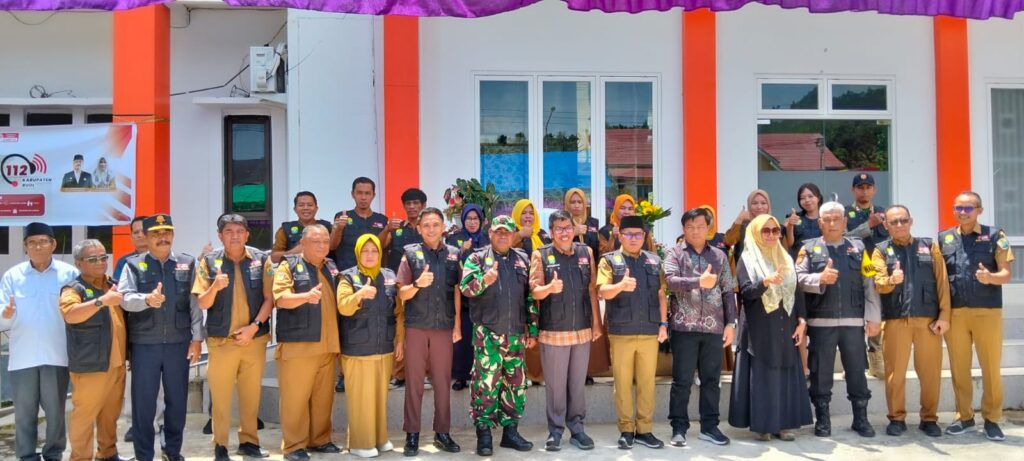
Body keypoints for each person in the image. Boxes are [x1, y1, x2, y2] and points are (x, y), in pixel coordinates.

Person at [118, 214, 203, 461]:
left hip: (178, 343)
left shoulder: (188, 263)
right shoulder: (133, 265)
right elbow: (124, 298)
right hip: (145, 345)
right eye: (156, 233)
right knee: (144, 404)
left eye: (167, 232)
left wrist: (197, 339)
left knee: (177, 400)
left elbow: (195, 304)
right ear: (145, 237)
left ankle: (172, 450)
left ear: (173, 235)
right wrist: (147, 299)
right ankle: (144, 454)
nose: (162, 237)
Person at [794, 202, 881, 438]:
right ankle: (823, 420)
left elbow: (869, 283)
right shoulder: (808, 248)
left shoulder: (859, 248)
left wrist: (873, 317)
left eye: (836, 219)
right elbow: (798, 279)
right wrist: (819, 278)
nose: (832, 224)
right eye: (827, 219)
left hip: (853, 322)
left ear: (845, 222)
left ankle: (860, 419)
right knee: (820, 373)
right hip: (821, 322)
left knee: (857, 371)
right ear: (820, 223)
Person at [193, 214, 274, 460]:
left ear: (247, 234)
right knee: (220, 397)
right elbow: (202, 302)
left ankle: (249, 441)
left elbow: (270, 298)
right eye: (228, 231)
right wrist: (215, 287)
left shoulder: (261, 259)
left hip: (253, 340)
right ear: (220, 235)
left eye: (239, 231)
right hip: (222, 342)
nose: (235, 236)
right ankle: (220, 445)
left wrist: (254, 327)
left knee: (251, 395)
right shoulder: (209, 262)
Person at [728, 214, 812, 441]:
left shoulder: (785, 257)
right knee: (762, 374)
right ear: (756, 232)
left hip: (786, 323)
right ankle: (763, 426)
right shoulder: (747, 258)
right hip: (759, 325)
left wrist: (802, 321)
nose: (772, 235)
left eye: (776, 231)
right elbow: (746, 292)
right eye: (766, 230)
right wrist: (765, 281)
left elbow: (796, 291)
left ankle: (783, 425)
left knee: (784, 373)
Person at [0, 222, 79, 461]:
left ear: (53, 244)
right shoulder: (13, 276)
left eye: (43, 241)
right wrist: (6, 314)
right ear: (25, 247)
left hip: (57, 354)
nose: (38, 246)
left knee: (55, 412)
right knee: (24, 413)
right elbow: (2, 317)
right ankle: (26, 456)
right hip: (23, 357)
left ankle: (53, 454)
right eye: (32, 243)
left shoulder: (69, 274)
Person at [870, 205, 950, 437]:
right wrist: (891, 280)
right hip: (896, 320)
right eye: (893, 222)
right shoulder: (880, 251)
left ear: (911, 221)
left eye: (903, 220)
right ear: (886, 225)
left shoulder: (929, 246)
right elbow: (878, 283)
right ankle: (896, 418)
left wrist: (944, 316)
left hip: (928, 320)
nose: (899, 225)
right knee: (895, 374)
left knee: (930, 373)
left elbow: (942, 282)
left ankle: (929, 418)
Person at [460, 215, 537, 456]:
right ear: (490, 233)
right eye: (498, 231)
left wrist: (533, 329)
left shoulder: (522, 259)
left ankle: (510, 433)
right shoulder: (476, 258)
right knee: (486, 386)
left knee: (515, 385)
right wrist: (485, 280)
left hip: (515, 334)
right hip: (488, 335)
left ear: (514, 235)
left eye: (507, 232)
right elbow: (466, 288)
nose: (503, 236)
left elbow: (529, 297)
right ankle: (484, 434)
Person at [939, 191, 1012, 441]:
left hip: (986, 311)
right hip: (956, 312)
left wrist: (990, 277)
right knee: (959, 369)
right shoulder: (944, 238)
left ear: (979, 210)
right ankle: (965, 417)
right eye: (958, 207)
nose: (962, 212)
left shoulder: (995, 236)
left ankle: (992, 419)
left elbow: (1006, 273)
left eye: (968, 208)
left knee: (990, 368)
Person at [530, 210, 602, 451]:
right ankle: (555, 431)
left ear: (574, 229)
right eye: (559, 229)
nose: (564, 233)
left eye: (568, 228)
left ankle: (577, 428)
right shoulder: (541, 255)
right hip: (553, 331)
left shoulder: (586, 253)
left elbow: (592, 289)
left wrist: (596, 323)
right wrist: (549, 288)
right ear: (551, 232)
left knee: (577, 384)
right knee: (556, 386)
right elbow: (534, 291)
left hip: (582, 329)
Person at [664, 208, 736, 447]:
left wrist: (730, 323)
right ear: (683, 229)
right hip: (684, 327)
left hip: (714, 328)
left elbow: (728, 290)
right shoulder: (674, 253)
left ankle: (710, 426)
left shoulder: (719, 256)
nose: (695, 231)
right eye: (690, 227)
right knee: (682, 380)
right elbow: (671, 281)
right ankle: (678, 428)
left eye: (700, 226)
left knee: (711, 380)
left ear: (709, 228)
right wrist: (699, 281)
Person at [597, 215, 669, 450]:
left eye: (638, 234)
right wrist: (620, 286)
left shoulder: (654, 261)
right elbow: (603, 292)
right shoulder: (609, 260)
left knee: (647, 384)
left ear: (645, 236)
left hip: (649, 331)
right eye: (628, 234)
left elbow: (661, 295)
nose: (634, 239)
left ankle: (645, 430)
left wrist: (663, 324)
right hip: (622, 332)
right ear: (620, 235)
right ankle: (626, 430)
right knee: (623, 384)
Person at [395, 208, 462, 456]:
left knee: (443, 382)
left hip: (443, 327)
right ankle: (412, 434)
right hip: (416, 327)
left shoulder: (454, 254)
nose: (431, 229)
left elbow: (457, 289)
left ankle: (442, 433)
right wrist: (417, 284)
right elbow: (402, 293)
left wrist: (457, 325)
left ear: (443, 227)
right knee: (414, 383)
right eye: (426, 225)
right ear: (419, 228)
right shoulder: (410, 254)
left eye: (435, 224)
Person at [272, 224, 342, 461]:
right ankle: (293, 446)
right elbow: (281, 299)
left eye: (325, 241)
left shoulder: (330, 266)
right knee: (295, 399)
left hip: (328, 345)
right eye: (316, 241)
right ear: (302, 243)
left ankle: (320, 440)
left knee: (323, 398)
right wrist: (305, 296)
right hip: (299, 345)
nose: (322, 245)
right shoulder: (289, 265)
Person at [60, 239, 131, 461]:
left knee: (110, 414)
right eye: (93, 259)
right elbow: (70, 314)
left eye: (103, 257)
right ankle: (80, 458)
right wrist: (101, 301)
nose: (100, 262)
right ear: (79, 263)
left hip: (116, 364)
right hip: (91, 366)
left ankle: (107, 454)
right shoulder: (74, 289)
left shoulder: (112, 284)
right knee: (84, 417)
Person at [336, 235, 405, 458]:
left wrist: (400, 340)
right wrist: (359, 294)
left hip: (383, 347)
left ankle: (379, 438)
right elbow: (343, 307)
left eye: (374, 251)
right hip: (357, 349)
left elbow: (398, 312)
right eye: (365, 251)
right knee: (361, 399)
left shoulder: (389, 276)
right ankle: (360, 443)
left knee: (379, 398)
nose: (369, 255)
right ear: (358, 253)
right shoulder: (347, 277)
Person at [330, 177, 389, 393]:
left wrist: (388, 230)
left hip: (374, 280)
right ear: (353, 194)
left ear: (373, 195)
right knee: (345, 324)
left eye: (367, 193)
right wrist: (338, 228)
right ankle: (343, 374)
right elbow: (332, 245)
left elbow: (383, 247)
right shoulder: (343, 217)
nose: (363, 197)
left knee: (371, 323)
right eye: (359, 193)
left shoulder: (381, 220)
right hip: (347, 280)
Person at [845, 173, 889, 379]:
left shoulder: (884, 213)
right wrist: (868, 226)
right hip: (853, 270)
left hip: (877, 271)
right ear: (853, 190)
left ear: (874, 190)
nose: (864, 191)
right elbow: (842, 238)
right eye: (860, 187)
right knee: (854, 315)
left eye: (868, 187)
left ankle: (875, 357)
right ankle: (855, 363)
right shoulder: (845, 213)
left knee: (877, 313)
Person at [381, 188, 426, 388]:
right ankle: (398, 374)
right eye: (408, 203)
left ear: (423, 205)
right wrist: (387, 230)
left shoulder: (427, 227)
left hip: (424, 285)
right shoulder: (396, 229)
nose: (412, 207)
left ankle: (424, 373)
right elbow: (380, 246)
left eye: (416, 203)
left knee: (423, 329)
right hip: (400, 286)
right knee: (399, 327)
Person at [446, 204, 490, 391]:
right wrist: (462, 251)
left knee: (482, 340)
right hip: (462, 299)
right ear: (463, 220)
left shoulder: (488, 239)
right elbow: (448, 264)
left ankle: (480, 375)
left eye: (475, 218)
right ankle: (461, 376)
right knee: (462, 340)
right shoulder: (454, 238)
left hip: (484, 298)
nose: (472, 222)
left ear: (481, 220)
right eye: (469, 219)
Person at [512, 199, 551, 385]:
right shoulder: (510, 232)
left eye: (531, 213)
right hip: (517, 290)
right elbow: (502, 248)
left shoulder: (541, 234)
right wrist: (519, 235)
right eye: (523, 213)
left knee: (537, 331)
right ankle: (523, 374)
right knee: (522, 332)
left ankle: (538, 374)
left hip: (539, 290)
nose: (528, 216)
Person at [272, 191, 334, 263]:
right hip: (295, 269)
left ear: (316, 209)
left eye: (310, 205)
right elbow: (274, 258)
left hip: (323, 268)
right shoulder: (285, 229)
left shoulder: (327, 227)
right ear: (295, 209)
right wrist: (294, 252)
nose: (305, 208)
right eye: (301, 205)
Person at [724, 189, 772, 270]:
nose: (759, 207)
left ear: (768, 205)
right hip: (744, 272)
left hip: (769, 272)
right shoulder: (742, 224)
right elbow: (728, 241)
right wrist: (739, 220)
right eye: (754, 203)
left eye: (763, 203)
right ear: (749, 205)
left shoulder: (774, 225)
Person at [783, 183, 823, 258]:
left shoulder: (826, 219)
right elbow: (790, 244)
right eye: (802, 198)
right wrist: (790, 226)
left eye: (810, 196)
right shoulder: (794, 218)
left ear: (818, 198)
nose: (807, 200)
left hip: (821, 260)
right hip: (799, 260)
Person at [565, 188, 600, 258]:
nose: (576, 205)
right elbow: (555, 246)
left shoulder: (593, 222)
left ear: (584, 204)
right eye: (572, 202)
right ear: (567, 204)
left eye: (580, 202)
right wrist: (573, 233)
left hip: (591, 262)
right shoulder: (562, 222)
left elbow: (597, 249)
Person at [113, 216, 147, 283]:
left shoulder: (162, 258)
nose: (140, 235)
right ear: (131, 237)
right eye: (136, 232)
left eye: (144, 231)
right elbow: (117, 285)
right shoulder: (124, 261)